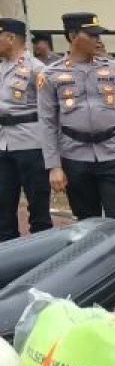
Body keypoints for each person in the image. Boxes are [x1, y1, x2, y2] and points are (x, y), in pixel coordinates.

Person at [39, 12, 115, 222]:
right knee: (87, 221)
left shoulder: (113, 69)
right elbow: (47, 123)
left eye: (99, 35)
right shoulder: (50, 74)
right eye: (92, 35)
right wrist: (54, 167)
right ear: (72, 36)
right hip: (74, 156)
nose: (98, 40)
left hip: (111, 153)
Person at [0, 18, 51, 241]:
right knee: (3, 206)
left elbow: (49, 112)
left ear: (10, 38)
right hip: (3, 144)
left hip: (31, 144)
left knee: (38, 207)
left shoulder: (37, 69)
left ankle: (43, 255)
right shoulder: (1, 68)